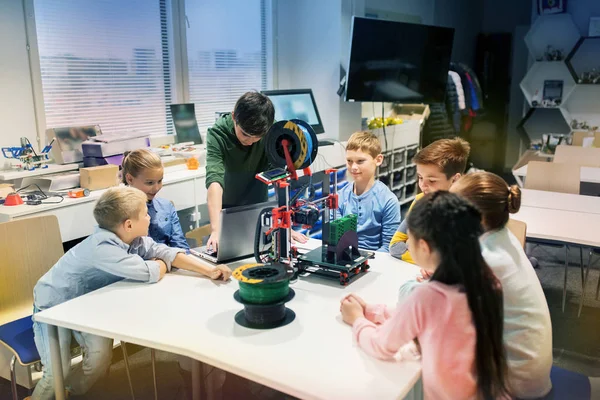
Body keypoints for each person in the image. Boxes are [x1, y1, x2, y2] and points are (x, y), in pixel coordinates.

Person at [30, 187, 231, 399]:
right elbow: (150, 271)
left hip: (86, 304)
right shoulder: (102, 248)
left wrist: (209, 270)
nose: (149, 218)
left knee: (100, 359)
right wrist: (160, 264)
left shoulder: (132, 238)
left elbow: (166, 253)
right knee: (55, 374)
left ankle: (70, 392)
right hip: (52, 304)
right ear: (129, 224)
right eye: (145, 214)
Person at [340, 191, 509, 400]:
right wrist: (373, 311)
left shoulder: (427, 297)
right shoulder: (488, 282)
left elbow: (381, 346)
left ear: (424, 247)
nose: (406, 245)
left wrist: (356, 319)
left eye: (409, 239)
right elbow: (424, 318)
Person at [450, 172, 553, 398]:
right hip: (530, 369)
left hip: (515, 384)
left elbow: (443, 312)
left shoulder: (486, 257)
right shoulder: (502, 236)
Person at [205, 91, 307, 252]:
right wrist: (216, 230)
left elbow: (279, 180)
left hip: (260, 211)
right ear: (234, 117)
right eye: (245, 134)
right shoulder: (218, 134)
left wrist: (284, 224)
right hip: (226, 213)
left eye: (257, 137)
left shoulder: (272, 133)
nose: (250, 141)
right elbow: (214, 181)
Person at [389, 137, 470, 263]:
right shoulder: (419, 201)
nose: (422, 186)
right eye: (420, 177)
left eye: (432, 181)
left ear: (454, 179)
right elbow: (395, 247)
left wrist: (412, 246)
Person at [336, 131, 400, 251]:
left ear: (378, 160)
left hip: (375, 261)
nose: (353, 167)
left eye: (360, 161)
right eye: (349, 161)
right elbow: (336, 239)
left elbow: (389, 246)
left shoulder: (388, 201)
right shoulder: (340, 196)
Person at [122, 148, 189, 250]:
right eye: (149, 183)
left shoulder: (166, 207)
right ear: (130, 179)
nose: (156, 188)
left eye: (160, 181)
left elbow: (180, 246)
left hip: (171, 262)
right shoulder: (119, 214)